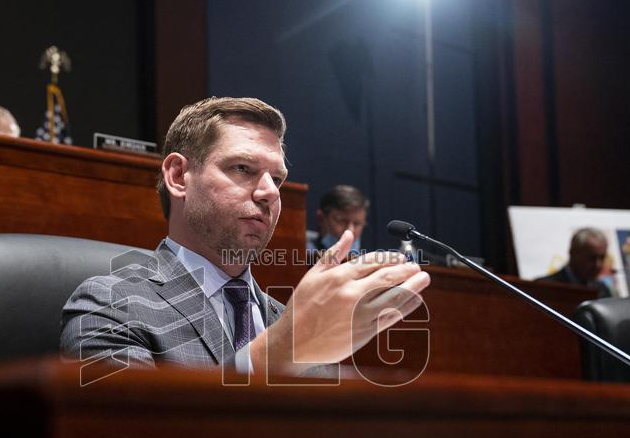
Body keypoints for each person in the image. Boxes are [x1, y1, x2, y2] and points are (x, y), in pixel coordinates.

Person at [60, 96, 429, 376]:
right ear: (177, 176)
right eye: (243, 168)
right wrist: (278, 352)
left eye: (278, 178)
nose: (270, 192)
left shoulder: (296, 323)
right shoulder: (111, 305)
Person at [536, 227, 612, 298]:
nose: (598, 265)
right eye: (591, 258)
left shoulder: (602, 290)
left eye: (602, 258)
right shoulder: (544, 287)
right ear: (573, 253)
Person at [308, 185, 369, 255]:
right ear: (321, 218)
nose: (350, 230)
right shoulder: (300, 253)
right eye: (342, 221)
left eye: (357, 223)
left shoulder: (372, 260)